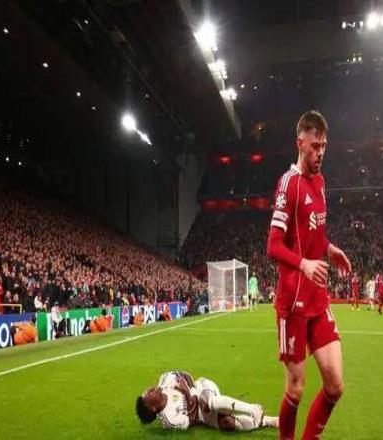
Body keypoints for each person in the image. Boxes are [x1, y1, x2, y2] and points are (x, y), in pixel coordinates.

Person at [266, 111, 351, 440]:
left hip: (317, 297)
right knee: (296, 389)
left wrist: (330, 249)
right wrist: (304, 264)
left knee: (335, 385)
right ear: (300, 143)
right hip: (293, 302)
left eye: (324, 146)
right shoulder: (289, 184)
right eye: (315, 146)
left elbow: (314, 233)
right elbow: (273, 245)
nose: (320, 153)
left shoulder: (320, 182)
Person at [136, 370, 278, 432]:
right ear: (153, 408)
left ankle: (252, 408)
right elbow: (192, 420)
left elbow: (186, 375)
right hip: (202, 415)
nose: (150, 389)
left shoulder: (165, 380)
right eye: (148, 394)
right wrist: (187, 393)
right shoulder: (169, 420)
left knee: (206, 401)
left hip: (202, 387)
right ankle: (266, 421)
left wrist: (191, 392)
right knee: (227, 423)